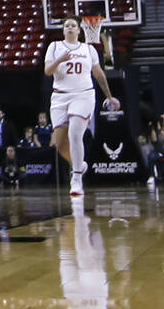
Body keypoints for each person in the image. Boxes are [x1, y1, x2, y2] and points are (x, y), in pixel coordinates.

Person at [43, 17, 120, 197]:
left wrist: (109, 96)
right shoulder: (54, 46)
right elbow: (47, 71)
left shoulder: (88, 49)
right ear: (63, 30)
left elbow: (99, 74)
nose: (70, 28)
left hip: (83, 95)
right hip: (60, 97)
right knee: (61, 145)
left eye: (73, 26)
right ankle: (80, 165)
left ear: (79, 30)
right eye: (66, 25)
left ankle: (76, 178)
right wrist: (59, 60)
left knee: (75, 133)